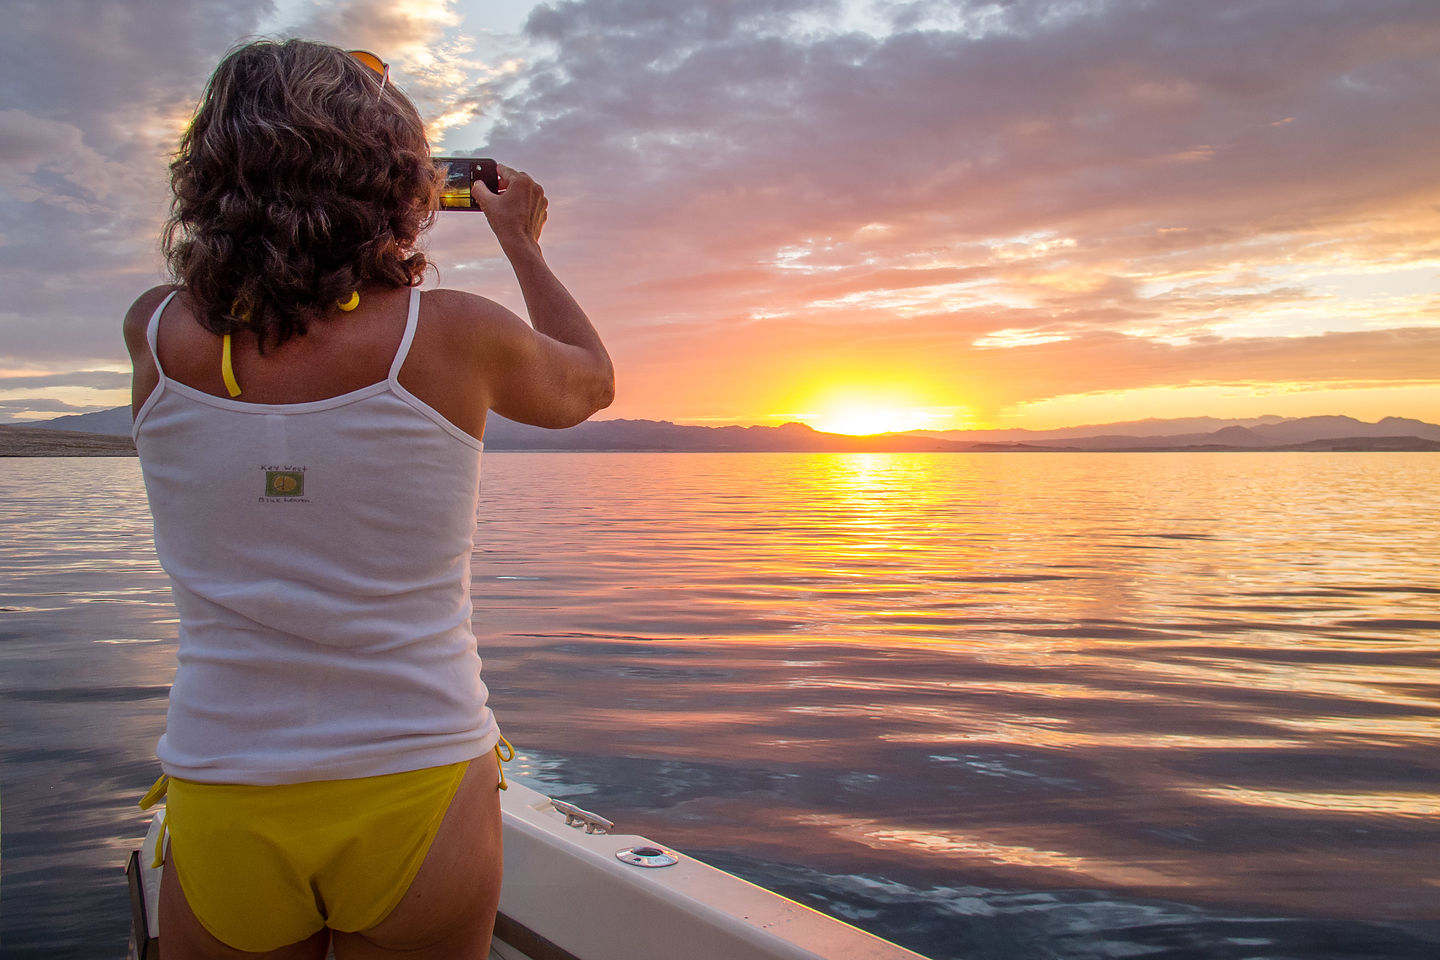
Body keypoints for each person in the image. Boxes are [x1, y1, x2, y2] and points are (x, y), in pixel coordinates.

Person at [123, 39, 613, 959]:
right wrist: (520, 241)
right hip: (416, 772)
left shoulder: (154, 331)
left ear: (210, 170)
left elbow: (253, 308)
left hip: (225, 776)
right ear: (395, 173)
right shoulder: (455, 335)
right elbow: (589, 385)